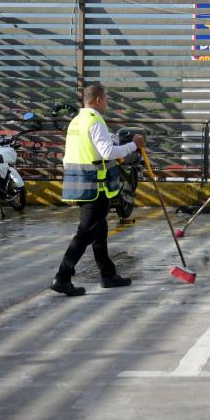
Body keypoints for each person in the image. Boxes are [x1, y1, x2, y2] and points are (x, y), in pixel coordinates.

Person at [51, 83, 142, 296]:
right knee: (85, 234)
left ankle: (108, 274)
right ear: (99, 100)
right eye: (107, 100)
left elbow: (93, 146)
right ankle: (62, 277)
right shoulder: (95, 121)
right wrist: (133, 146)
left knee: (99, 231)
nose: (107, 104)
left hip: (79, 185)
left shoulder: (77, 121)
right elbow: (108, 151)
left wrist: (121, 141)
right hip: (96, 187)